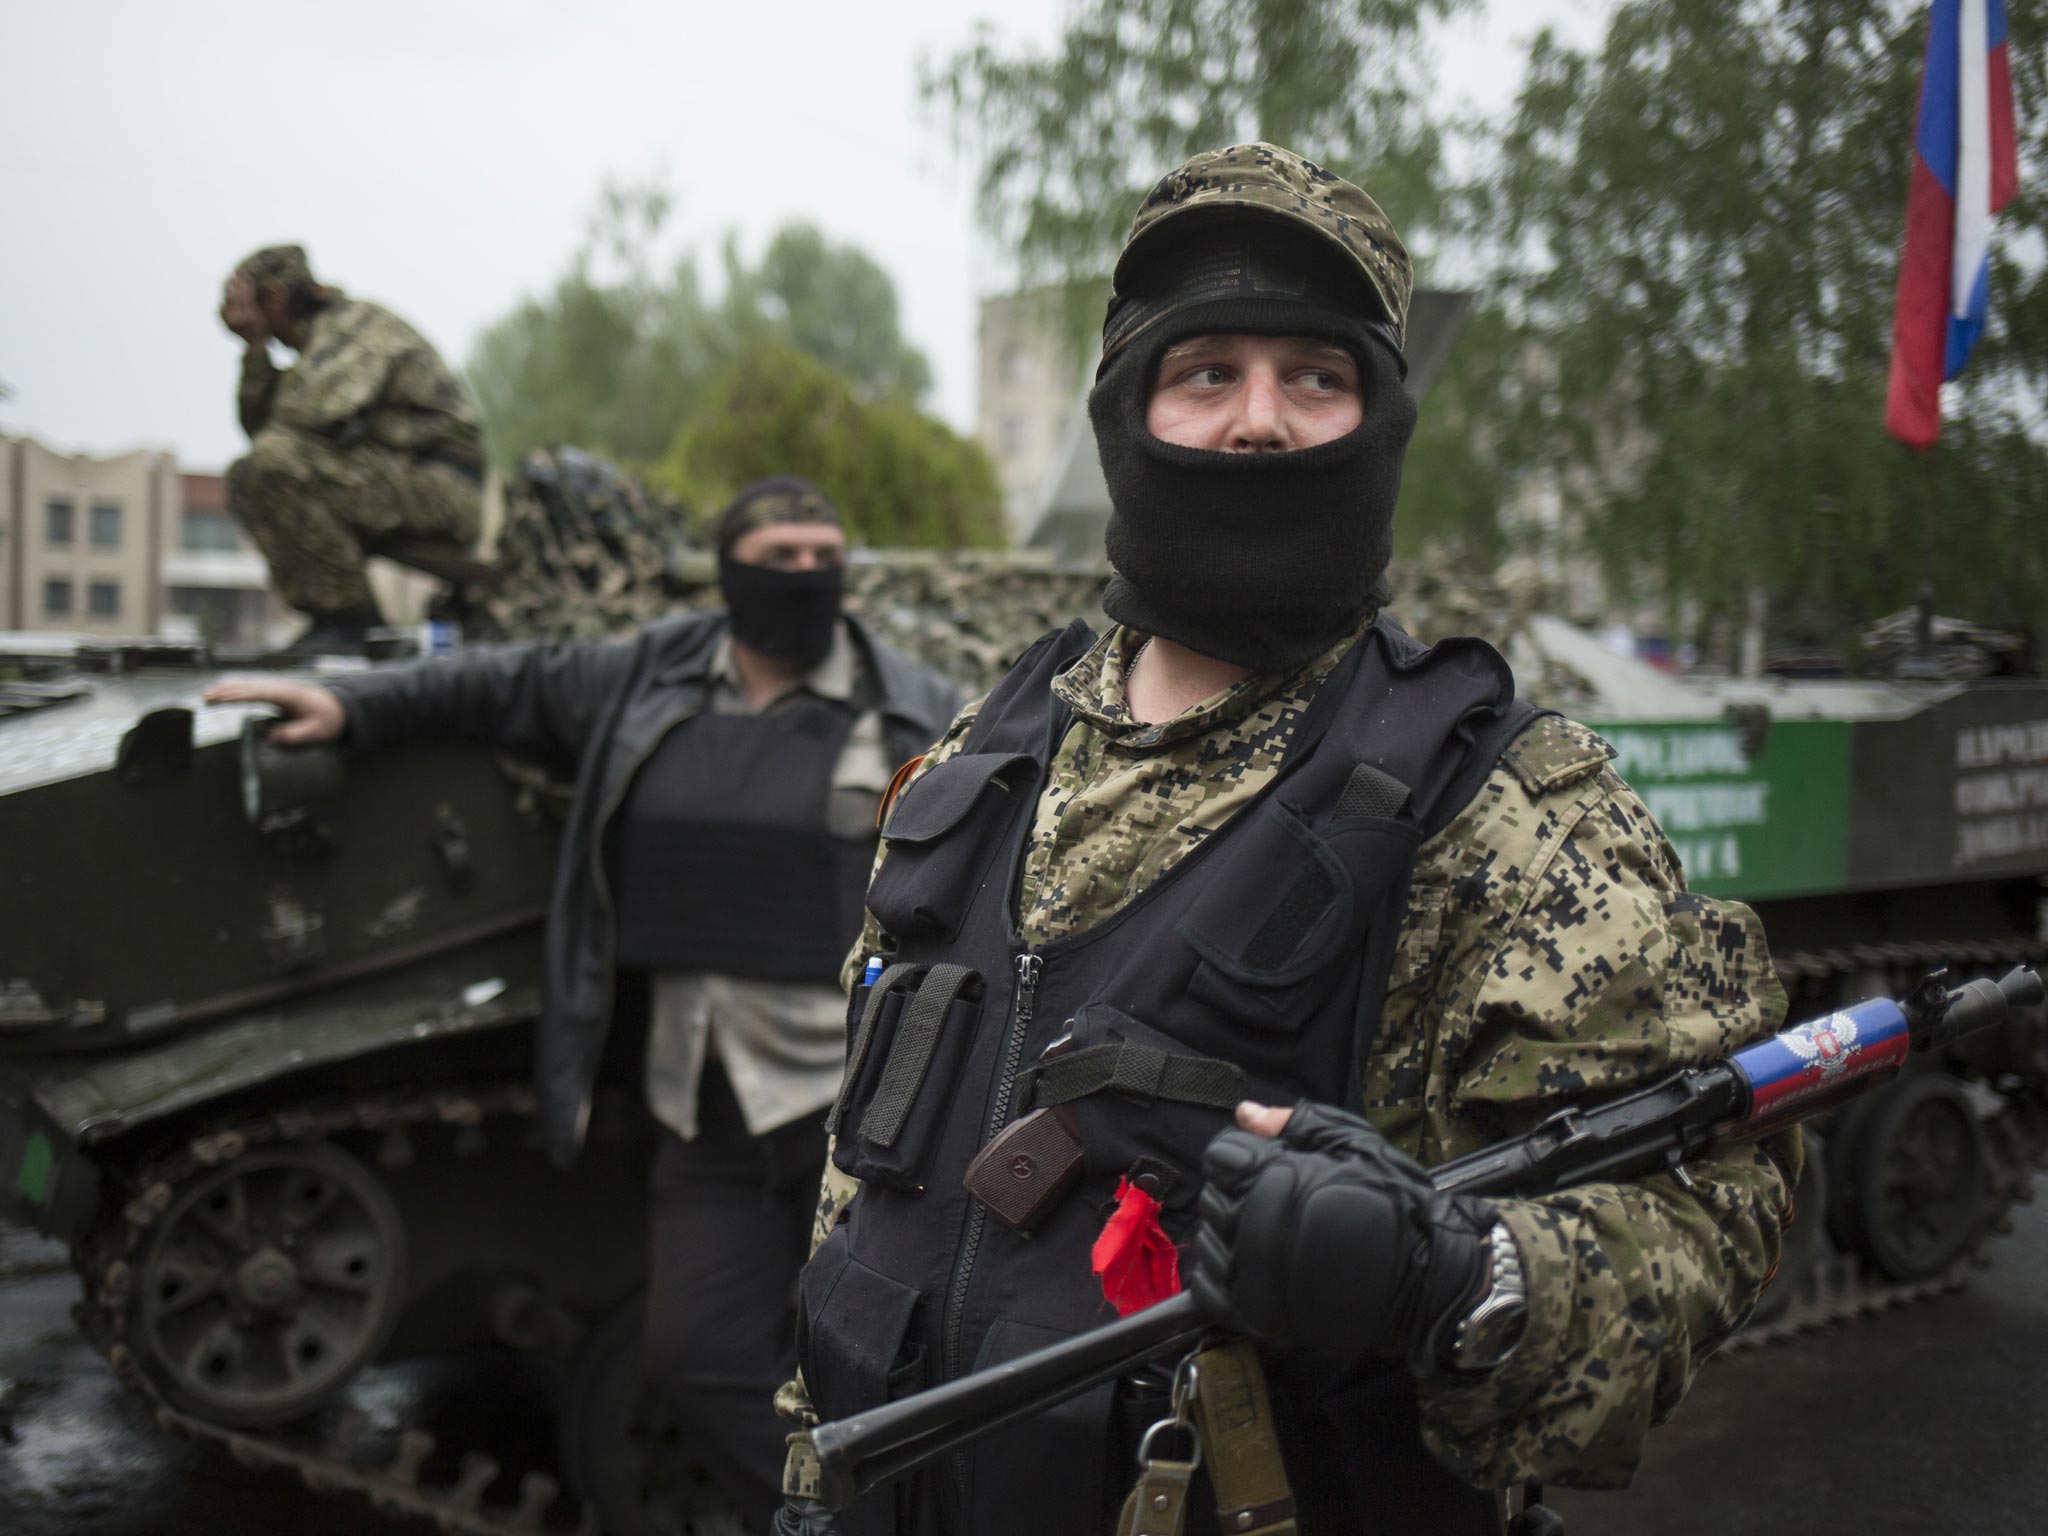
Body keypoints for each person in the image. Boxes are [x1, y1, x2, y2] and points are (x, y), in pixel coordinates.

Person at [777, 145, 1800, 1536]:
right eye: (1206, 372)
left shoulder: (1499, 806)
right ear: (1125, 414)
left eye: (1316, 377)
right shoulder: (986, 759)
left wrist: (1455, 1274)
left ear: (1379, 422)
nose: (1261, 421)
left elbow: (1710, 1207)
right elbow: (866, 1184)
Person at [206, 478, 960, 1529]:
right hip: (703, 1101)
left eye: (821, 555)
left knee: (882, 1365)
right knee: (696, 1359)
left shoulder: (917, 706)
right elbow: (490, 685)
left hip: (861, 1111)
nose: (803, 576)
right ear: (729, 567)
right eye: (780, 554)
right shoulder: (643, 675)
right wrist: (353, 705)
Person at [218, 243, 485, 655]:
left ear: (272, 296)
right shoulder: (322, 339)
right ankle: (338, 619)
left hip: (445, 489)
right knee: (252, 473)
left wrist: (256, 342)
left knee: (271, 464)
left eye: (242, 297)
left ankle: (351, 622)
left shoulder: (355, 328)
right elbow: (262, 431)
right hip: (401, 478)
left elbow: (299, 420)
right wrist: (255, 349)